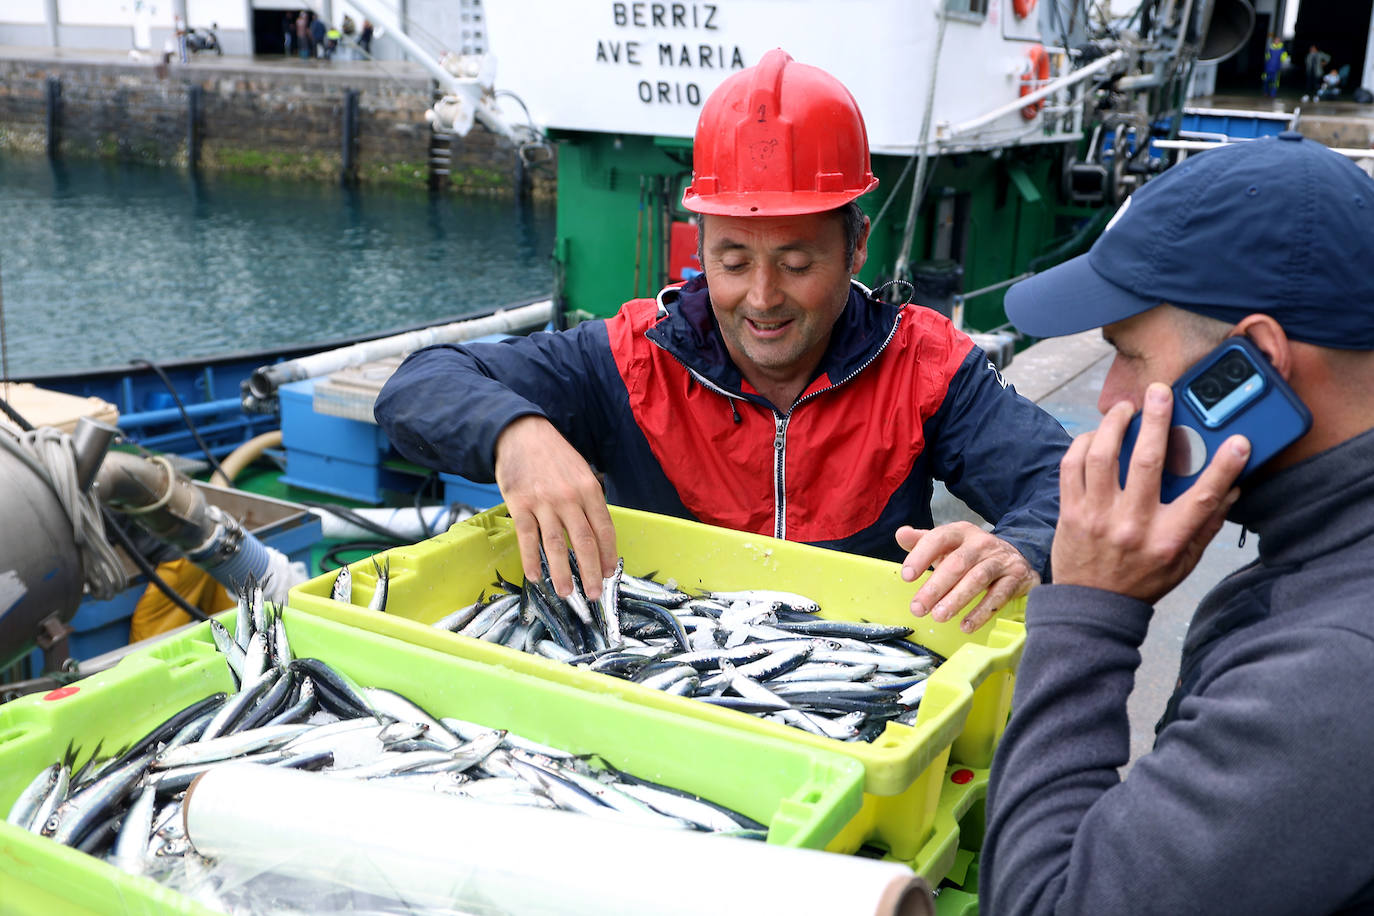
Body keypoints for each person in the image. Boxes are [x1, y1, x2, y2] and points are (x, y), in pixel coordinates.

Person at [373, 49, 1070, 629]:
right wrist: (515, 433)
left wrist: (1023, 546)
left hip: (858, 664)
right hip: (669, 672)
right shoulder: (629, 357)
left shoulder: (927, 364)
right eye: (733, 262)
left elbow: (1063, 482)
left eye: (798, 264)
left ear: (857, 247)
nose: (763, 297)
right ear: (698, 245)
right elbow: (417, 386)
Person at [981, 131, 1374, 913]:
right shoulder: (1325, 556)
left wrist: (1090, 614)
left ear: (1251, 363)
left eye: (1129, 355)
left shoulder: (1332, 675)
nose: (1104, 399)